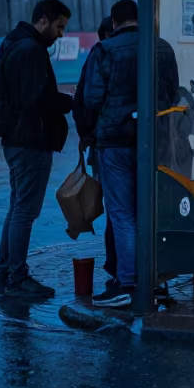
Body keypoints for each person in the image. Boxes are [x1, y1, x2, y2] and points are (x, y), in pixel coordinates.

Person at [83, 0, 179, 307]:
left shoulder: (105, 50)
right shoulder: (162, 48)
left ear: (114, 22)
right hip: (154, 141)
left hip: (114, 141)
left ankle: (127, 282)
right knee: (149, 211)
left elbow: (91, 98)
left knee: (122, 213)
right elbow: (172, 93)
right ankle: (155, 279)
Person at [0, 0, 75, 298]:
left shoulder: (14, 43)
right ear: (44, 19)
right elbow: (36, 99)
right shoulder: (30, 50)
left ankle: (4, 274)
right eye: (59, 26)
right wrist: (70, 102)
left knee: (17, 209)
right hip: (30, 140)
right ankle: (17, 278)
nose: (61, 34)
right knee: (25, 211)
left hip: (16, 138)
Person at [73, 16, 116, 287]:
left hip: (108, 144)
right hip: (144, 146)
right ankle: (140, 271)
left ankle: (120, 272)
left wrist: (88, 135)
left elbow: (84, 102)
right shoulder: (148, 50)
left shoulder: (100, 55)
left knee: (117, 211)